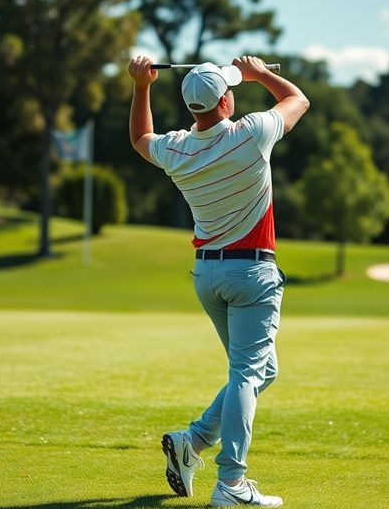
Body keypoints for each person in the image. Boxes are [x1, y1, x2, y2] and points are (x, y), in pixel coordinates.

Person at [127, 55, 309, 507]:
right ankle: (231, 484)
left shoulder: (178, 149)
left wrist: (141, 86)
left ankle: (192, 441)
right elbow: (297, 99)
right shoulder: (251, 133)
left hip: (207, 274)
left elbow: (139, 137)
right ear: (226, 101)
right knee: (249, 373)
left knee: (262, 371)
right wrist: (259, 73)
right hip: (252, 273)